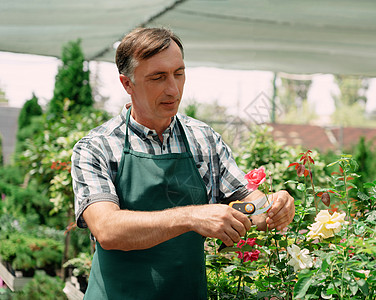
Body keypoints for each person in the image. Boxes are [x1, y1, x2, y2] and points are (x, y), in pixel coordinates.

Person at [71, 27, 295, 299]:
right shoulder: (98, 146)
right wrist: (191, 217)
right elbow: (108, 229)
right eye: (158, 77)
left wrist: (273, 207)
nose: (173, 89)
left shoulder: (203, 139)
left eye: (179, 73)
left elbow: (248, 202)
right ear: (127, 83)